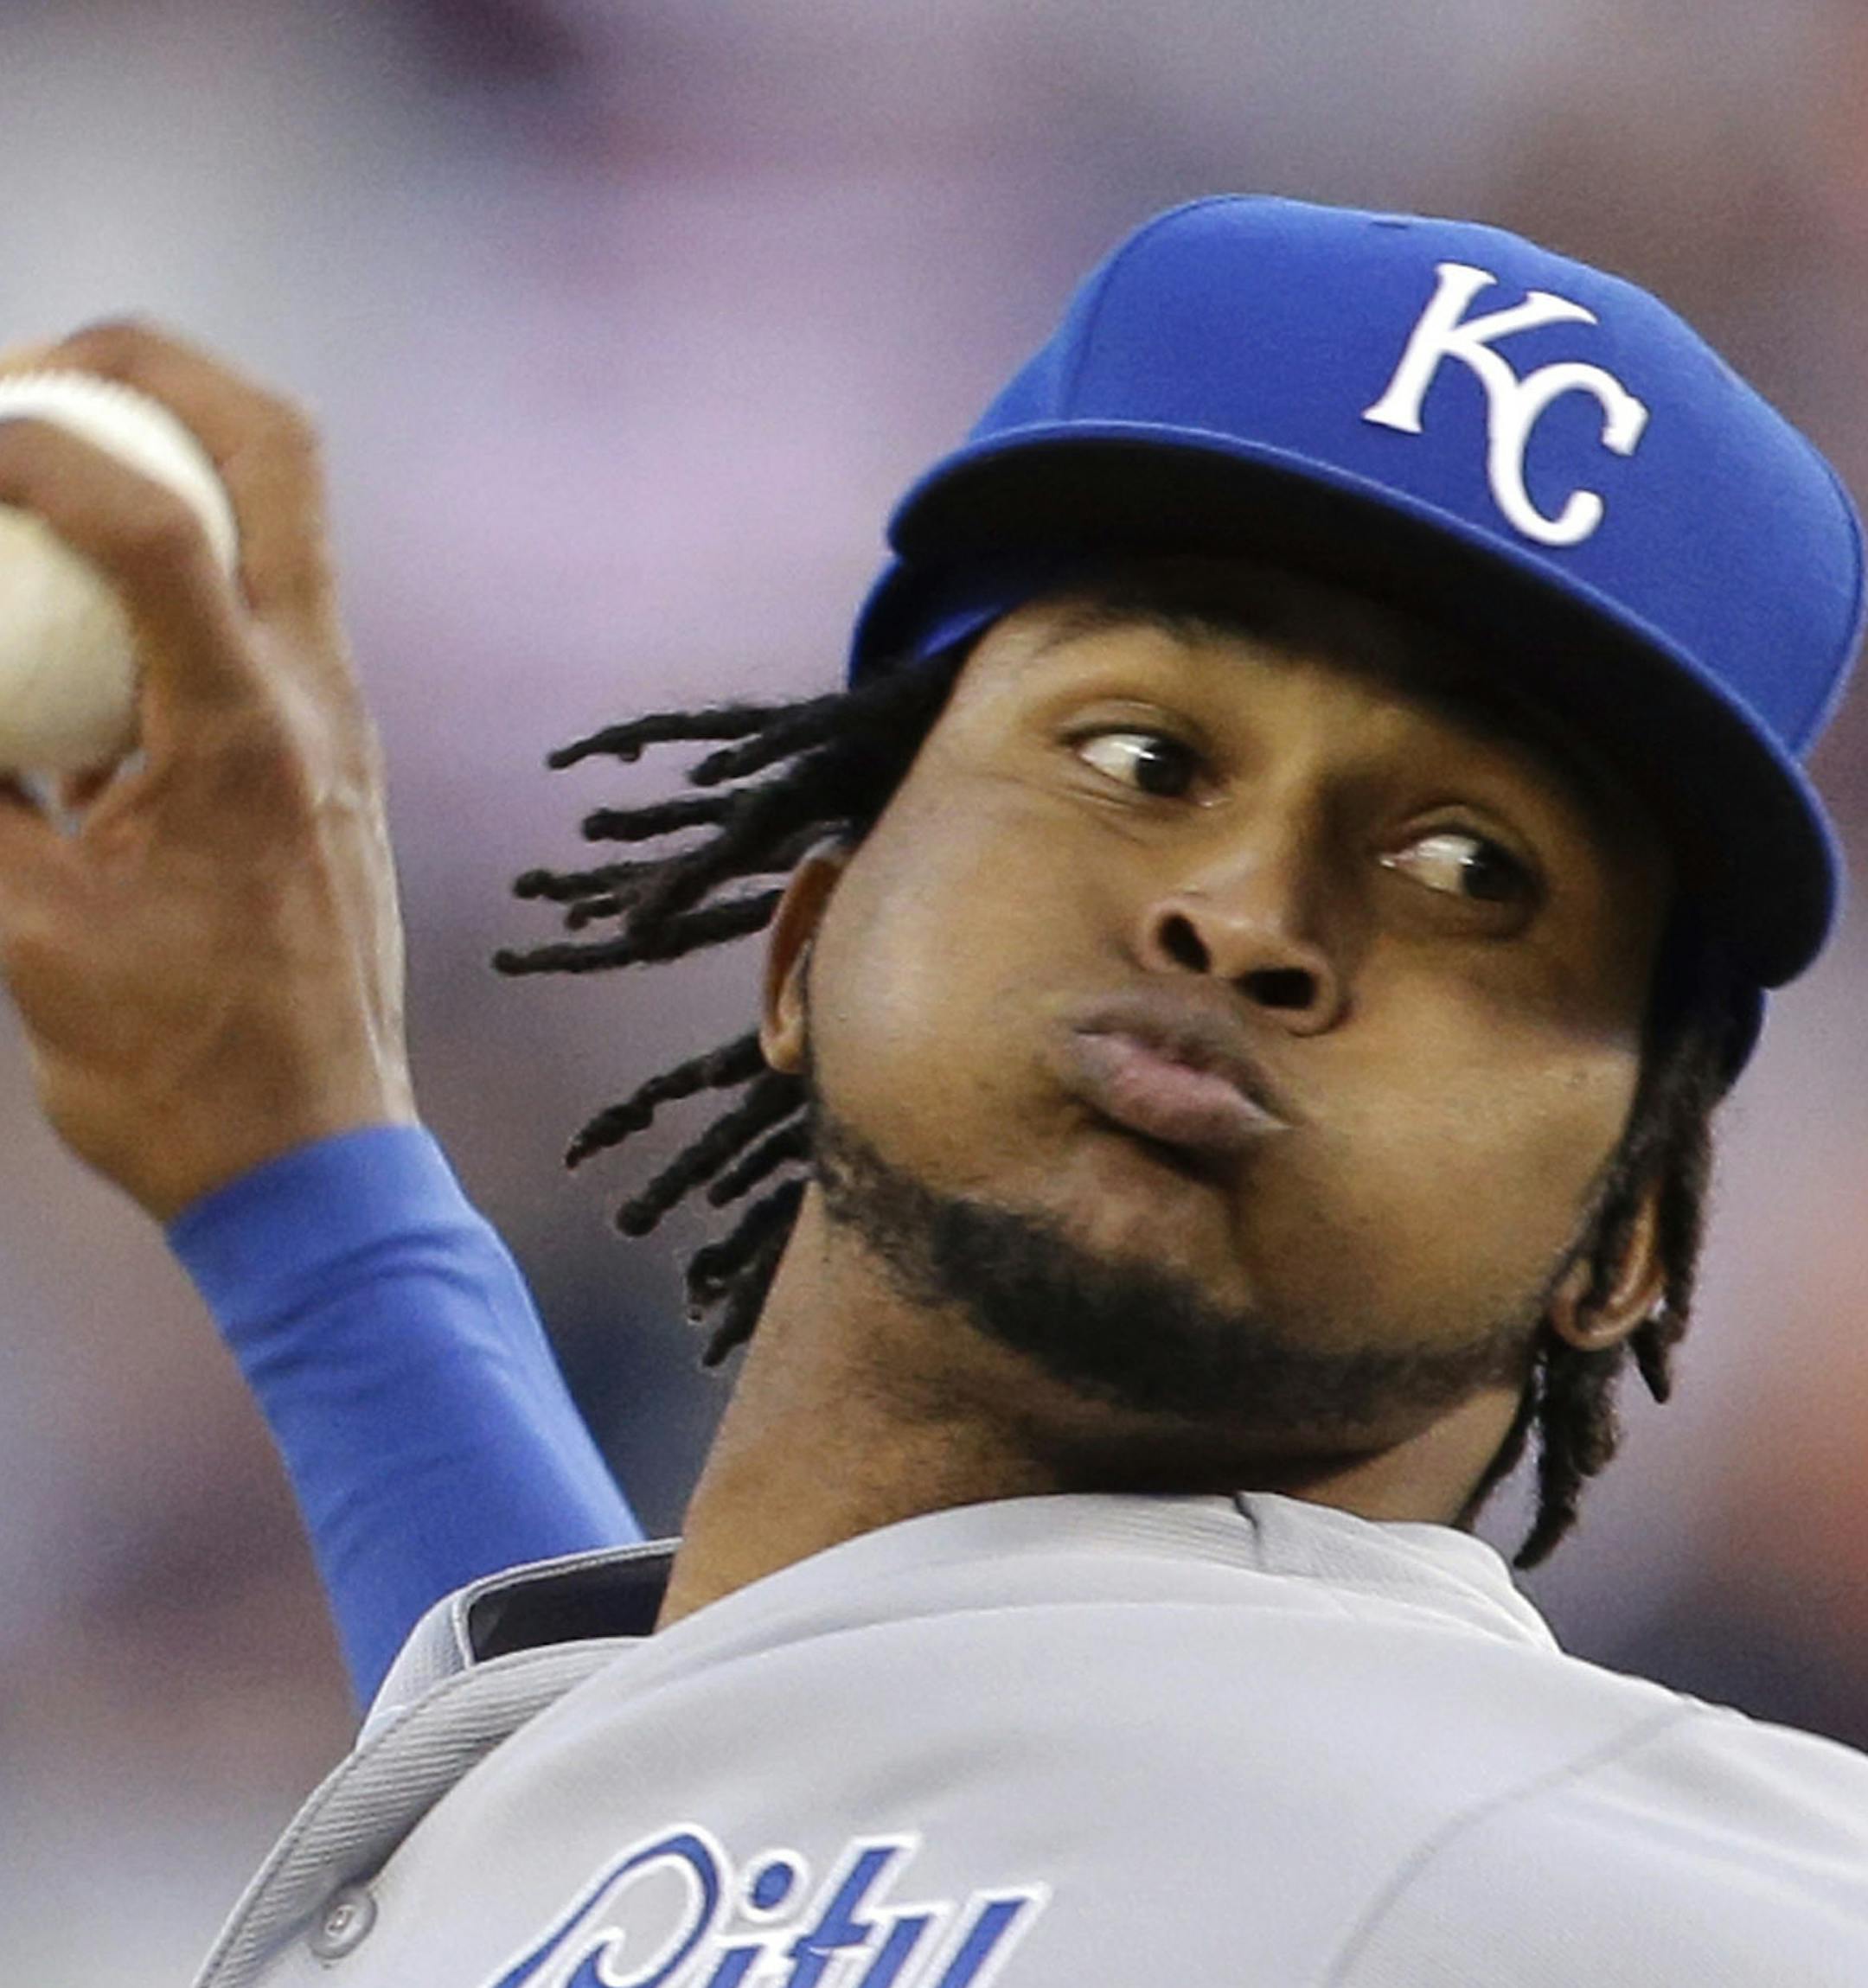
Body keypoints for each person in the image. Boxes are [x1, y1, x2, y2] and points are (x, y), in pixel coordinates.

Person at [0, 195, 1865, 1985]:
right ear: (804, 937)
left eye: (1473, 872)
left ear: (1627, 1224)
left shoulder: (1593, 1870)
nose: (1244, 916)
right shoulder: (686, 1797)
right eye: (1142, 753)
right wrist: (308, 1187)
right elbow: (710, 1822)